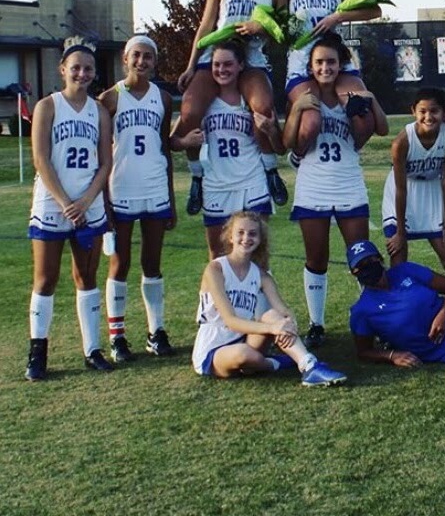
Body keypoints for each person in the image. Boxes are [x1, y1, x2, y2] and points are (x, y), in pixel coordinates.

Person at [281, 33, 388, 348]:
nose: (325, 67)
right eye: (319, 62)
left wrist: (370, 98)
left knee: (363, 258)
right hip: (313, 184)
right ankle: (317, 324)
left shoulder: (350, 95)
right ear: (311, 67)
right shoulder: (306, 96)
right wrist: (297, 109)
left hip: (347, 183)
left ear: (340, 64)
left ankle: (370, 320)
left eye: (331, 61)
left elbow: (381, 129)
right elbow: (287, 141)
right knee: (317, 258)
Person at [176, 0, 289, 214]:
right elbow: (205, 27)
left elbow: (286, 34)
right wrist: (191, 64)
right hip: (219, 57)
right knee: (190, 113)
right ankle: (197, 176)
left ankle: (270, 170)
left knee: (262, 108)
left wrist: (260, 27)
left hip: (250, 58)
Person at [25, 37, 114, 380]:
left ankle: (92, 348)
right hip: (53, 201)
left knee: (86, 277)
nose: (82, 73)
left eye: (88, 68)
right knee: (46, 279)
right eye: (75, 67)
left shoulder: (100, 111)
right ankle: (38, 351)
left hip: (87, 202)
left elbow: (105, 163)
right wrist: (65, 202)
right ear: (62, 69)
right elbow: (40, 159)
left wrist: (87, 200)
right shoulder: (48, 106)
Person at [99, 36, 185, 362]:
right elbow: (100, 153)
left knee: (152, 264)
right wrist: (102, 201)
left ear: (154, 61)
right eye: (137, 55)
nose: (142, 61)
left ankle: (156, 331)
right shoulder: (109, 98)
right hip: (121, 188)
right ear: (125, 58)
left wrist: (172, 200)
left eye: (148, 57)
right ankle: (117, 337)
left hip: (154, 189)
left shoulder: (162, 99)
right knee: (119, 263)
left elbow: (163, 147)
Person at [192, 211, 346, 385]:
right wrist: (273, 329)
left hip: (245, 338)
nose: (246, 238)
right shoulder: (216, 269)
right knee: (244, 354)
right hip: (214, 347)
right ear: (230, 237)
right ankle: (277, 363)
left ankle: (308, 365)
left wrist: (289, 321)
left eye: (253, 234)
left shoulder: (261, 275)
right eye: (240, 232)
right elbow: (230, 321)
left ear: (259, 240)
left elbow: (282, 310)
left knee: (271, 316)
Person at [284, 0, 381, 161]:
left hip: (334, 58)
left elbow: (374, 9)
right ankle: (297, 156)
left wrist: (338, 16)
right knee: (310, 121)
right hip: (302, 62)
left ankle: (351, 150)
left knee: (363, 113)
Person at [171, 41, 272, 259]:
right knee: (218, 255)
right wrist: (186, 142)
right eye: (217, 65)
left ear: (240, 66)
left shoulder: (251, 99)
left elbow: (278, 144)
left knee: (257, 254)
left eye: (228, 64)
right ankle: (215, 295)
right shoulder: (203, 102)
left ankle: (261, 294)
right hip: (216, 183)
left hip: (251, 180)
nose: (222, 70)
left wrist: (271, 131)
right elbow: (172, 141)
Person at [382, 87, 445, 279]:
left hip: (433, 189)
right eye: (422, 111)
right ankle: (399, 304)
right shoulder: (401, 142)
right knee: (398, 256)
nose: (428, 116)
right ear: (413, 111)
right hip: (402, 192)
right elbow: (400, 188)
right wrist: (401, 232)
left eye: (434, 111)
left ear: (444, 112)